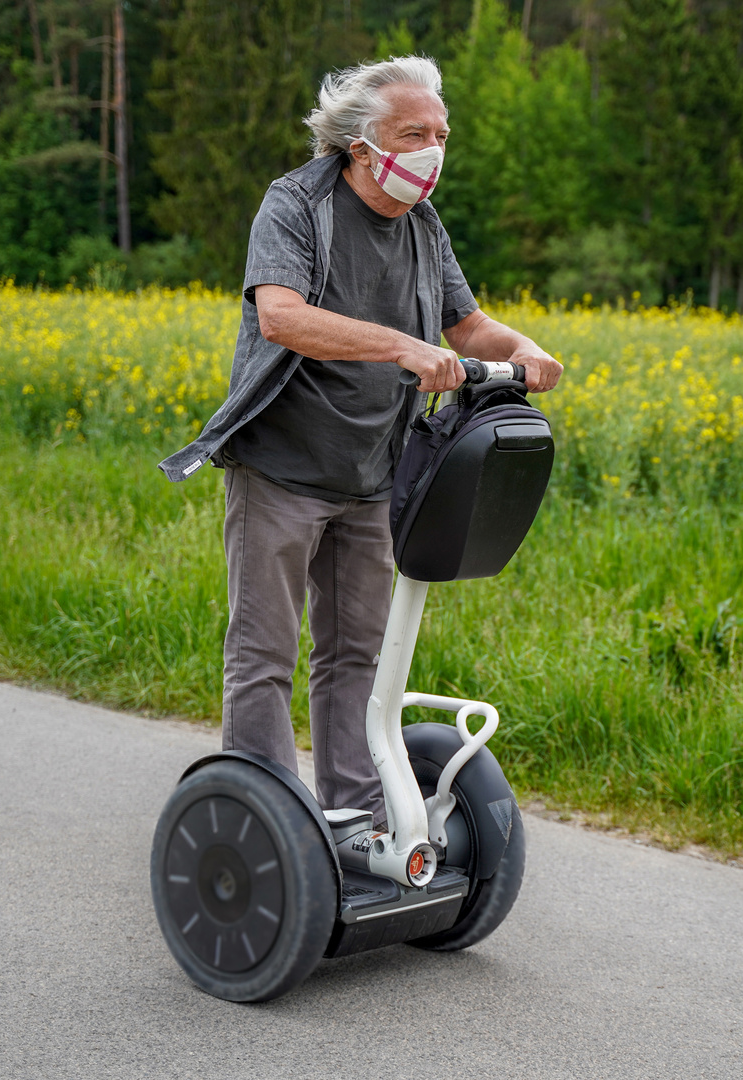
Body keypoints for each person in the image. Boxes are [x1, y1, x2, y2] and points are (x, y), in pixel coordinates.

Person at [157, 56, 562, 826]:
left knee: (357, 661)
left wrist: (526, 348)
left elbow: (467, 324)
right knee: (264, 656)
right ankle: (265, 823)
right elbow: (280, 315)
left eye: (442, 134)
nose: (433, 149)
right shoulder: (295, 205)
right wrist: (400, 347)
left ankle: (352, 819)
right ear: (359, 144)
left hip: (376, 473)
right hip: (282, 466)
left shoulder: (422, 222)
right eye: (416, 133)